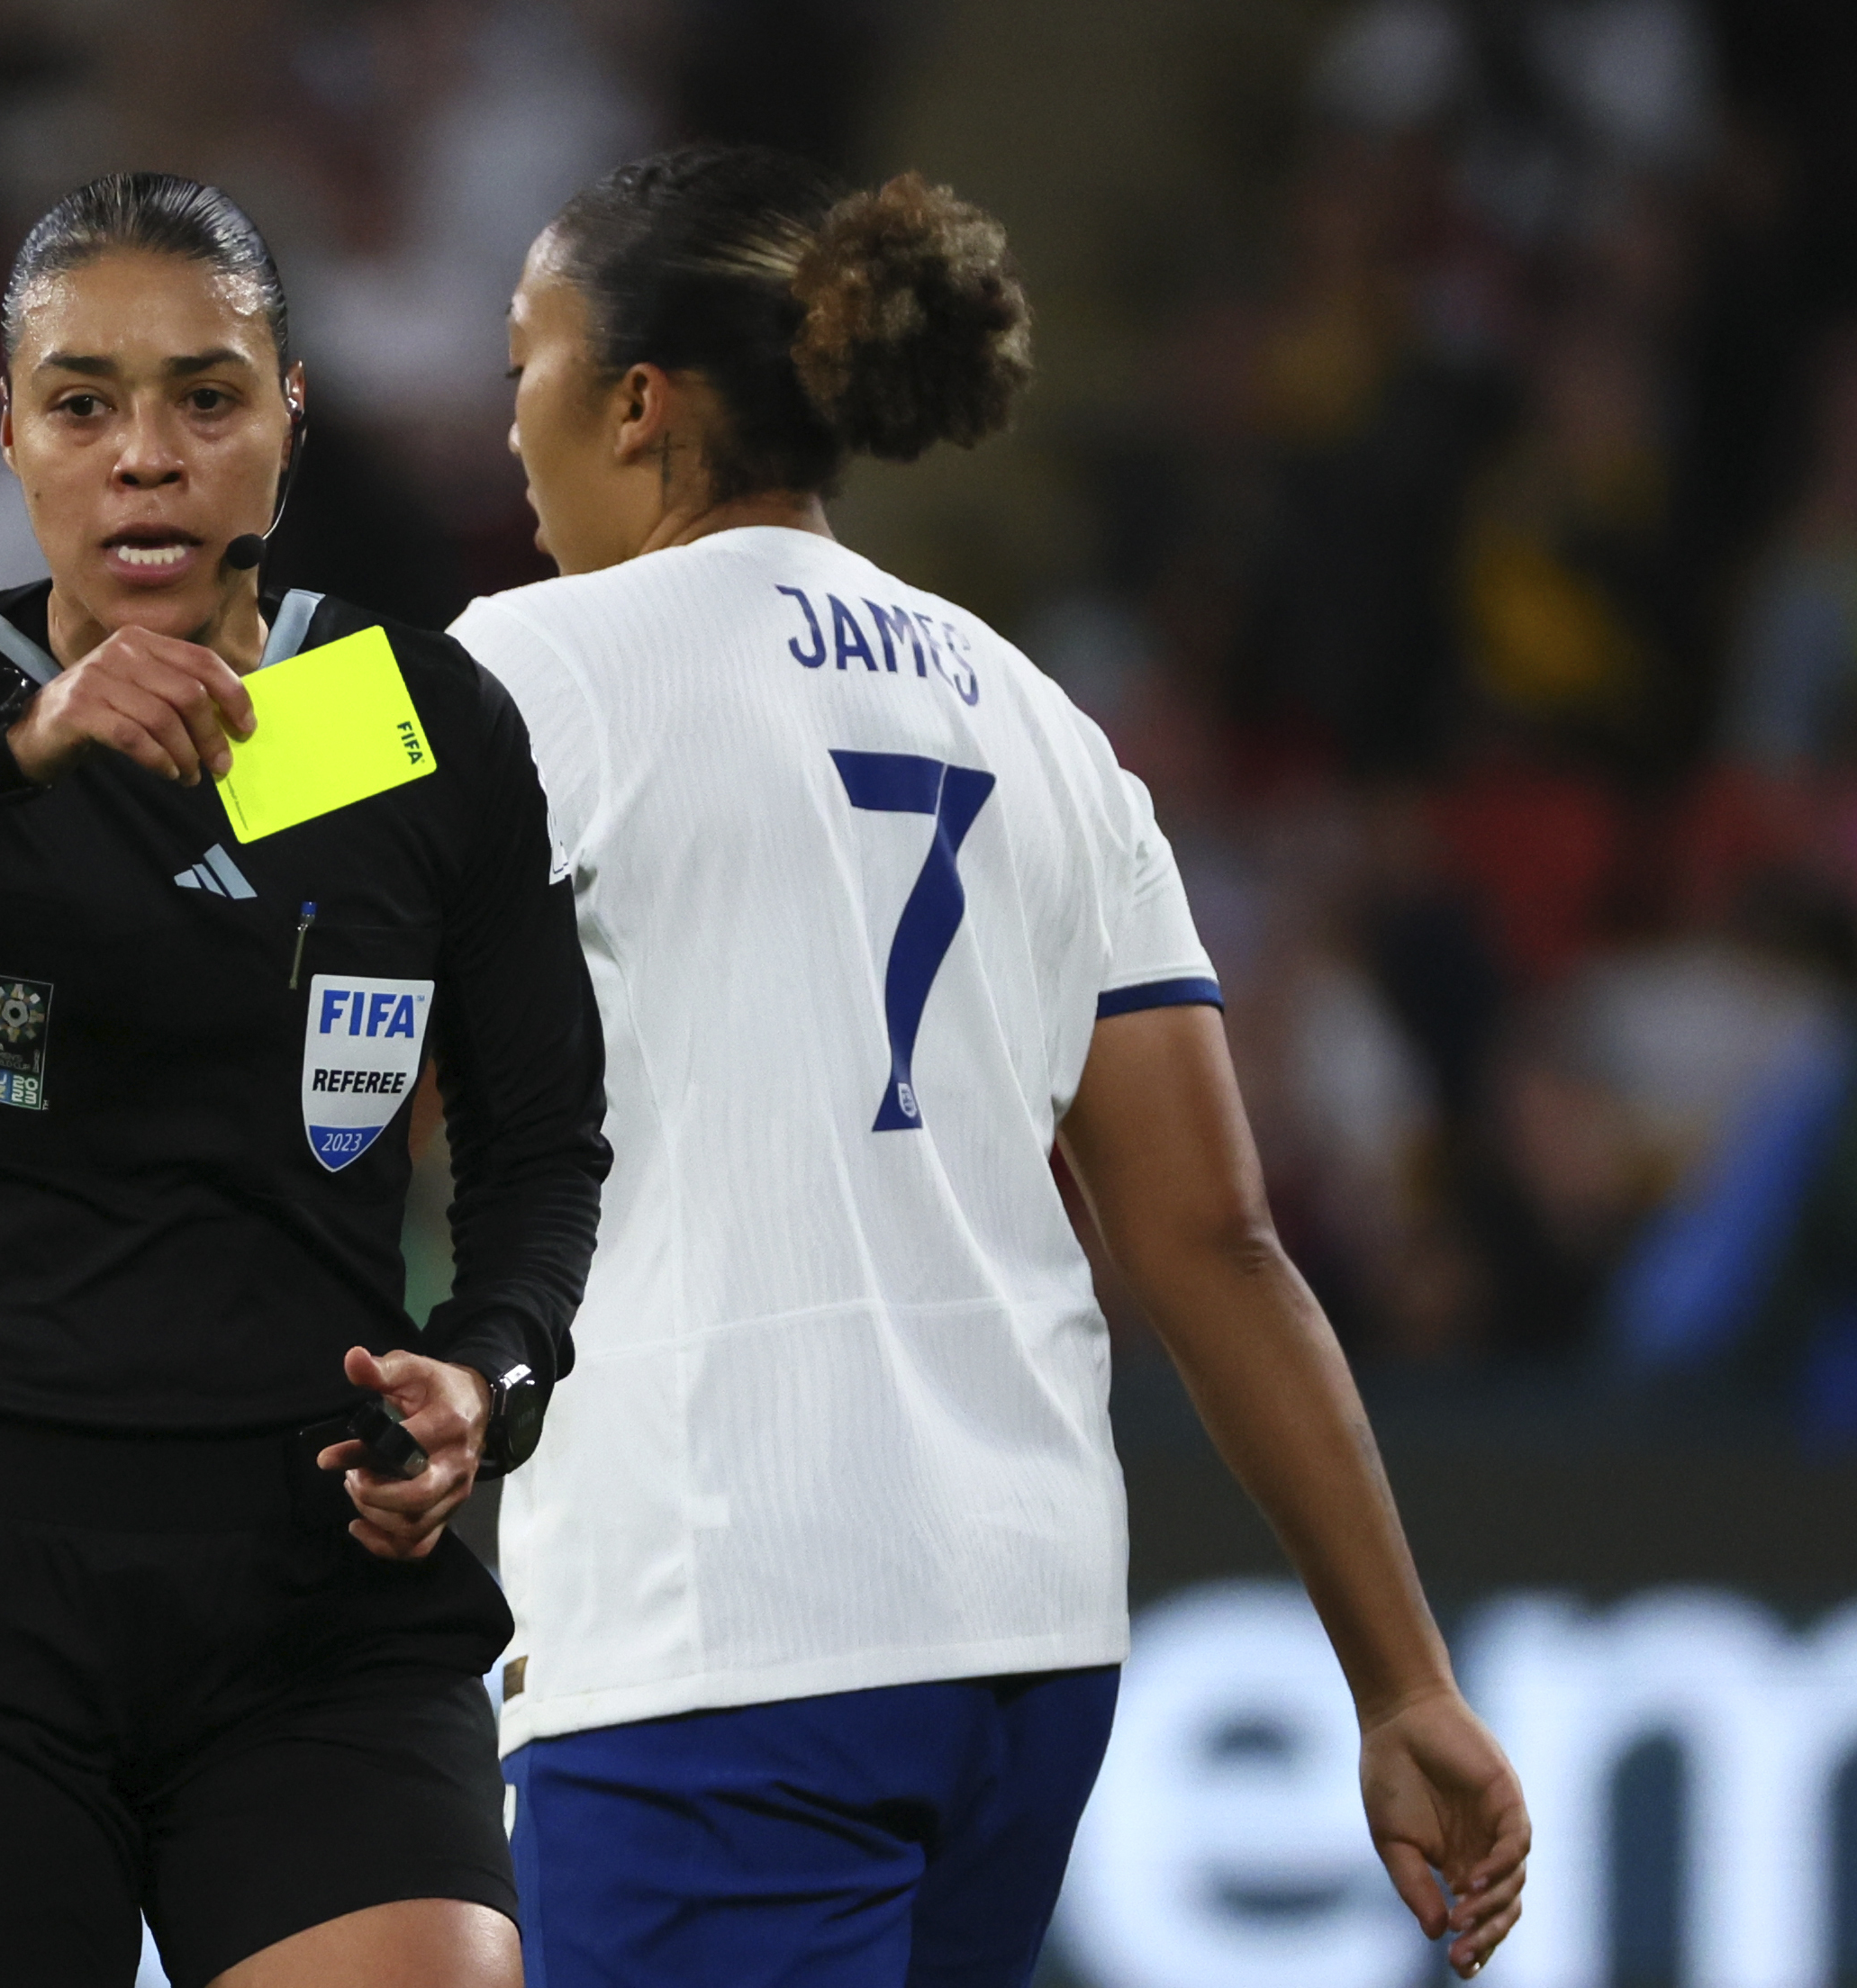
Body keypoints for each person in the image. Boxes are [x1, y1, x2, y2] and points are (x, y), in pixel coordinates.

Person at [446, 146, 1531, 1988]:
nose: (506, 435)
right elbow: (1218, 1245)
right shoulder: (1042, 724)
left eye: (522, 373)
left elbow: (217, 779)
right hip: (1020, 1646)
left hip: (729, 1629)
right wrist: (1405, 1681)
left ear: (635, 406)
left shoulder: (537, 667)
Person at [0, 173, 608, 1988]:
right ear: (8, 432)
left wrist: (492, 1370)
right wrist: (3, 758)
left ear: (292, 417)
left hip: (318, 1602)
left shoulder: (411, 725)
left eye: (207, 398)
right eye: (83, 403)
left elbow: (543, 1145)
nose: (146, 454)